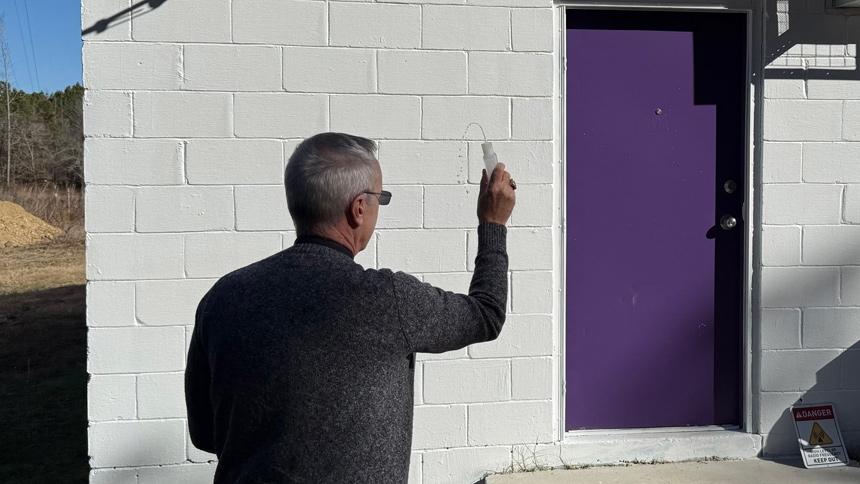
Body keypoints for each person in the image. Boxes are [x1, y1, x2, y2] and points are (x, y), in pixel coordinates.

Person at [185, 132, 516, 483]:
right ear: (358, 208)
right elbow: (486, 314)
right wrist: (492, 224)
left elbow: (205, 434)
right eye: (379, 198)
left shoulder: (222, 299)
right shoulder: (388, 300)